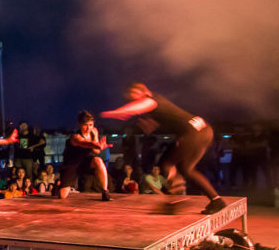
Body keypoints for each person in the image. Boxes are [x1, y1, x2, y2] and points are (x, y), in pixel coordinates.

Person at [102, 83, 225, 214]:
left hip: (195, 134)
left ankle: (177, 199)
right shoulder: (157, 106)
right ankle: (216, 200)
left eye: (134, 97)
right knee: (185, 169)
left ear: (144, 92)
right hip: (203, 131)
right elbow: (155, 125)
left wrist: (117, 112)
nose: (133, 101)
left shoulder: (152, 100)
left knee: (167, 163)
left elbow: (137, 108)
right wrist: (148, 126)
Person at [57, 111, 112, 202]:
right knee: (62, 195)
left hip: (86, 162)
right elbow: (84, 143)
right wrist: (96, 144)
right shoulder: (75, 136)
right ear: (79, 124)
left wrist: (98, 145)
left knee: (98, 160)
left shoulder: (94, 131)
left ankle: (105, 191)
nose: (88, 128)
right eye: (85, 125)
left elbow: (96, 151)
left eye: (90, 125)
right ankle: (58, 186)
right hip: (72, 164)